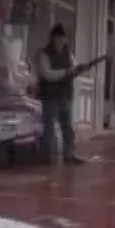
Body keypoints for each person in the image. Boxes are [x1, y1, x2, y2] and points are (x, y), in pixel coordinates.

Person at [36, 24, 87, 164]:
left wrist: (79, 70)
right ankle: (48, 156)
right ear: (52, 39)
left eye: (62, 38)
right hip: (50, 96)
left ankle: (69, 154)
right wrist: (67, 72)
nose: (59, 41)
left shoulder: (69, 54)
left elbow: (74, 69)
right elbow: (46, 74)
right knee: (49, 128)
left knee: (68, 127)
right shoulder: (43, 54)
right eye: (57, 38)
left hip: (66, 95)